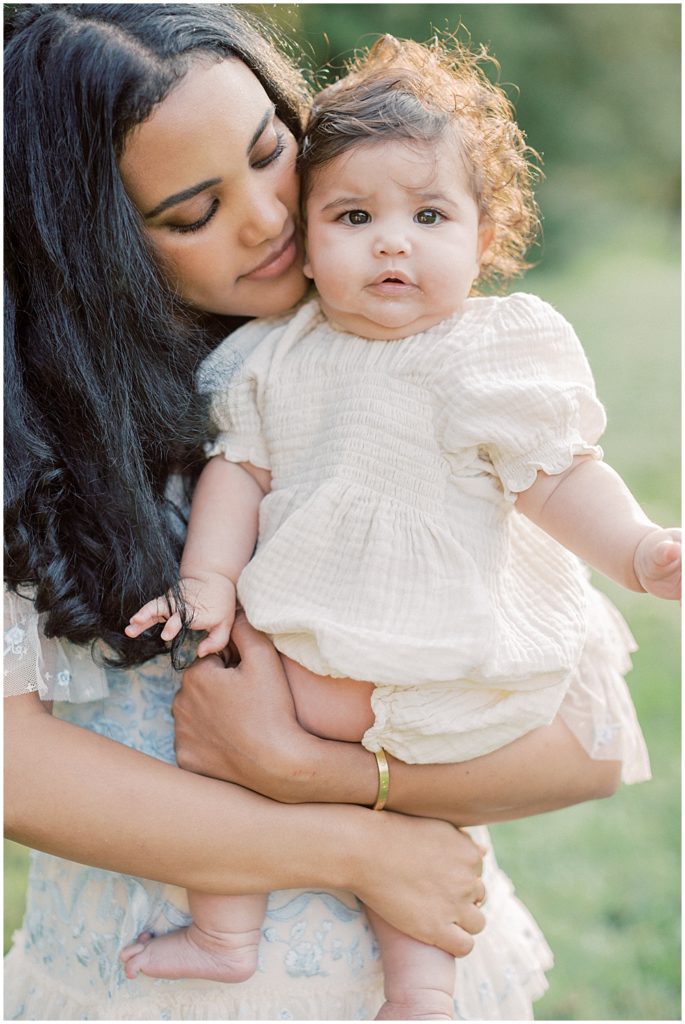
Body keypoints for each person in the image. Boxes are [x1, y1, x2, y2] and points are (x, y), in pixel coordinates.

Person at [3, 6, 644, 1021]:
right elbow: (13, 768)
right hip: (137, 983)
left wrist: (306, 767)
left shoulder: (417, 376)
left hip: (411, 966)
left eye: (272, 153)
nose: (267, 217)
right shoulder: (36, 442)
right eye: (191, 211)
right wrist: (352, 835)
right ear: (92, 244)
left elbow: (595, 743)